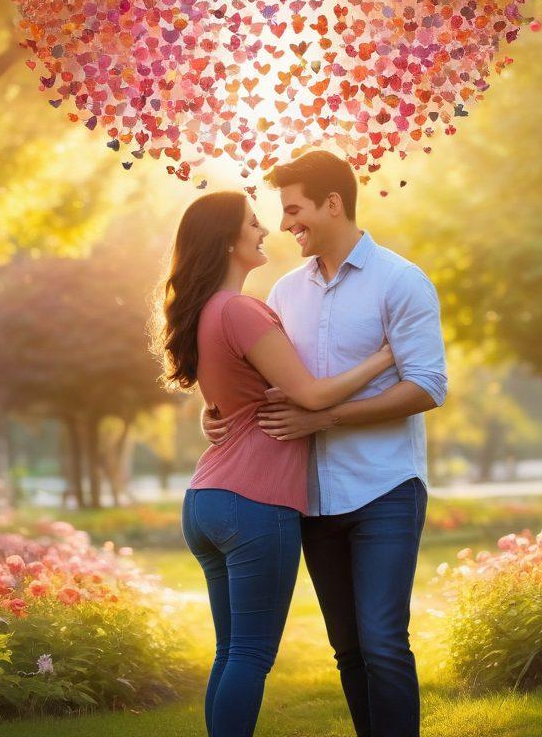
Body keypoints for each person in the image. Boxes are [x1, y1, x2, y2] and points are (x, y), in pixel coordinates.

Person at [205, 150, 448, 737]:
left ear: (333, 203)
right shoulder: (285, 292)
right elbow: (261, 378)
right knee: (348, 649)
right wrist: (216, 417)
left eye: (295, 210)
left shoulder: (401, 281)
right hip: (309, 498)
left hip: (386, 487)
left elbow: (427, 386)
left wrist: (329, 419)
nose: (286, 225)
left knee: (384, 642)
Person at [156, 190, 398, 737]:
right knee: (250, 654)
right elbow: (311, 396)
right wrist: (384, 358)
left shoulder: (204, 312)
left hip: (207, 500)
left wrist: (208, 418)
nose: (264, 229)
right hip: (255, 503)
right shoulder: (240, 310)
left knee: (230, 651)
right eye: (252, 222)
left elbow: (224, 401)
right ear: (227, 241)